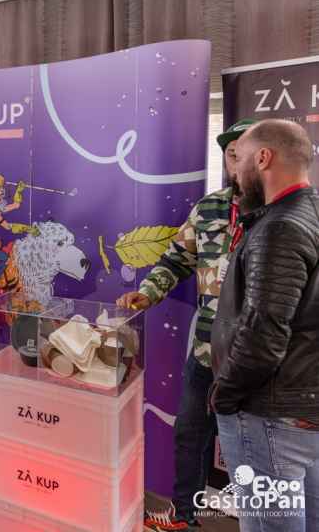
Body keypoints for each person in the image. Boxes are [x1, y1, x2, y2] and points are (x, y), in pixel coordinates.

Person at [117, 119, 254, 531]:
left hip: (258, 361)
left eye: (245, 152)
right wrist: (148, 293)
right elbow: (177, 259)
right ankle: (183, 518)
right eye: (231, 154)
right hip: (206, 351)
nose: (237, 161)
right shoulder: (209, 208)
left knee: (253, 453)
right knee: (190, 436)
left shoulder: (285, 213)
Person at [211, 119, 319, 532]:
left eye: (239, 159)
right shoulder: (308, 212)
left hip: (270, 416)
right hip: (300, 409)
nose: (235, 172)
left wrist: (224, 395)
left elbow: (264, 331)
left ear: (263, 158)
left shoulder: (280, 227)